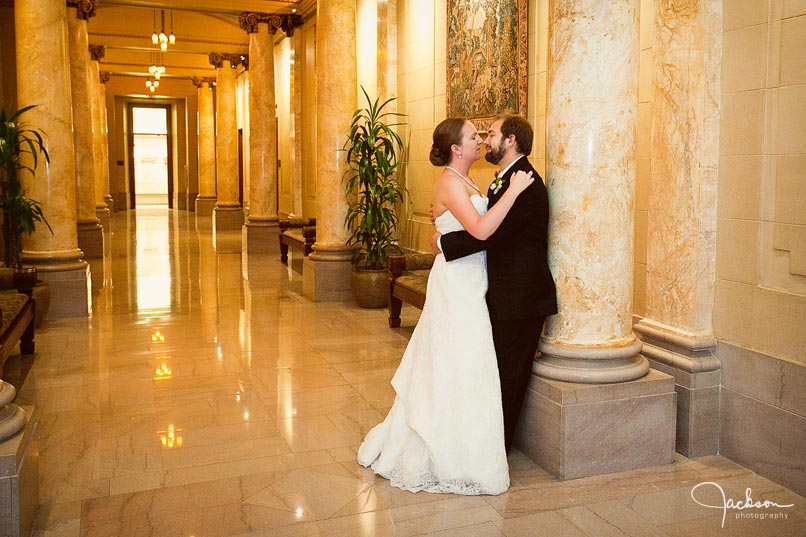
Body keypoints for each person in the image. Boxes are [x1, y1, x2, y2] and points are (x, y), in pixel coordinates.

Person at [357, 117, 534, 495]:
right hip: (456, 284)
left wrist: (442, 236)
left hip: (473, 279)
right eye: (473, 136)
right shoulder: (451, 182)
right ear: (456, 148)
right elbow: (484, 230)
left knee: (468, 361)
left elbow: (460, 228)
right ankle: (444, 446)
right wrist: (514, 194)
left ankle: (465, 438)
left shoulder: (468, 181)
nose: (480, 141)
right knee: (457, 358)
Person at [434, 114, 557, 452]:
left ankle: (494, 450)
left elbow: (489, 234)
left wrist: (444, 243)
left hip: (522, 297)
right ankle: (485, 443)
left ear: (511, 140)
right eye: (480, 136)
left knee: (509, 376)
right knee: (495, 372)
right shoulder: (501, 181)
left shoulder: (525, 181)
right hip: (499, 293)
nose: (486, 141)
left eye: (491, 134)